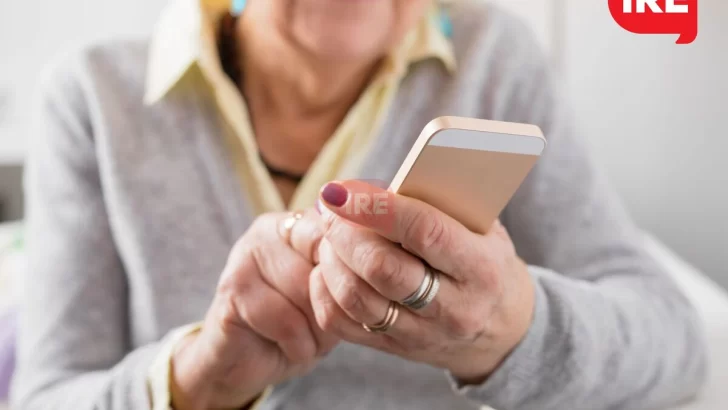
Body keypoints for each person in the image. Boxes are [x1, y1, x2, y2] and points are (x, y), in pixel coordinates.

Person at [11, 0, 707, 409]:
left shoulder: (494, 60)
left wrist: (511, 329)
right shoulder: (94, 97)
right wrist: (200, 379)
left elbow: (673, 339)